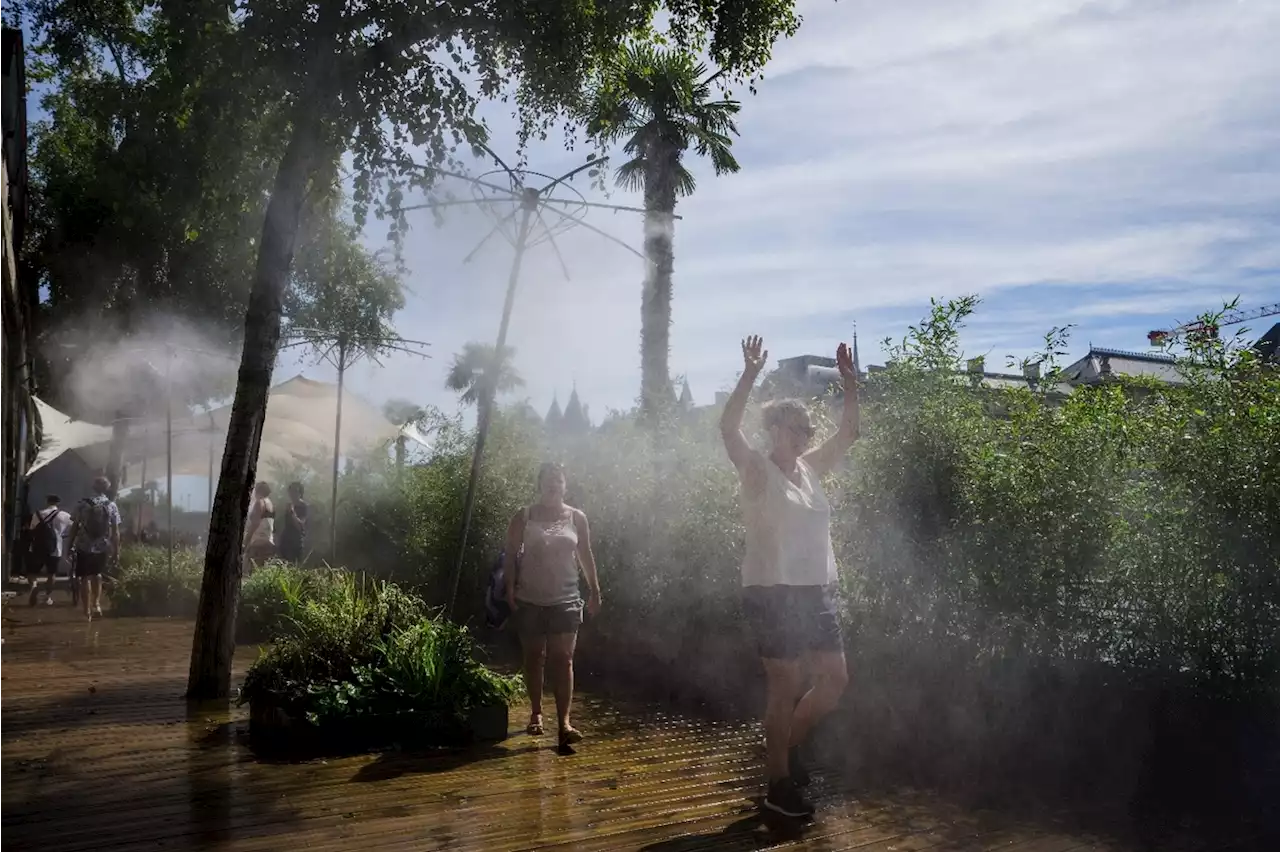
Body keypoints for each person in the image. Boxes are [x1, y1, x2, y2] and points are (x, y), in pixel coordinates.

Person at [719, 334, 860, 819]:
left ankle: (785, 751)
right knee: (785, 686)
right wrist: (749, 374)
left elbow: (847, 437)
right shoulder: (757, 469)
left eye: (806, 429)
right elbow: (727, 427)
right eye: (796, 428)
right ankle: (778, 785)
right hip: (771, 590)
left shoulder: (810, 469)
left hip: (816, 589)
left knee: (835, 680)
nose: (803, 436)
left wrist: (849, 386)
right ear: (776, 429)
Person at [503, 462, 602, 749]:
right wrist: (509, 588)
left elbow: (585, 554)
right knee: (534, 657)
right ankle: (536, 713)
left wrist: (595, 589)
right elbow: (509, 554)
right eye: (547, 481)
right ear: (539, 485)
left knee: (564, 659)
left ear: (564, 485)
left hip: (567, 599)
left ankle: (565, 723)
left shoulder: (577, 518)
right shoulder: (523, 517)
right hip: (529, 598)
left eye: (557, 481)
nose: (552, 486)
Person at [70, 477, 122, 620]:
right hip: (102, 546)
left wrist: (69, 545)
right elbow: (116, 531)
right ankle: (96, 604)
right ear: (107, 488)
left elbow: (74, 526)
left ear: (93, 487)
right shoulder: (111, 505)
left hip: (83, 545)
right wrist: (117, 550)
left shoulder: (82, 504)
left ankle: (86, 611)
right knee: (97, 574)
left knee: (84, 577)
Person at [27, 495, 72, 607]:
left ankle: (34, 587)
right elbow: (75, 526)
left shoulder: (37, 514)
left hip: (37, 547)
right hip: (55, 549)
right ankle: (47, 596)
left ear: (47, 502)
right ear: (58, 503)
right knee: (51, 574)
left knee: (32, 572)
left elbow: (32, 529)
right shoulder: (64, 515)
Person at [243, 481, 276, 571]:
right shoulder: (270, 504)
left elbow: (255, 523)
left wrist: (246, 541)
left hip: (257, 543)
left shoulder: (260, 502)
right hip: (268, 541)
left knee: (251, 571)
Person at [277, 481, 308, 565]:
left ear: (300, 493)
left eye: (295, 492)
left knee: (295, 566)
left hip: (296, 541)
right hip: (286, 540)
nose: (292, 495)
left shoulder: (303, 506)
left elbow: (300, 526)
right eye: (290, 492)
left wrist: (292, 512)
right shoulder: (289, 505)